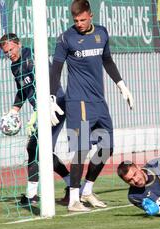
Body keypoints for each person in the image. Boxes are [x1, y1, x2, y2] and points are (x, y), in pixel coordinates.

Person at [49, 0, 134, 212]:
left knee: (107, 147)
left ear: (90, 15)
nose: (78, 23)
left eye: (82, 19)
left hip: (99, 102)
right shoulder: (66, 38)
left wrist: (122, 85)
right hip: (78, 103)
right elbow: (56, 69)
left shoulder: (102, 33)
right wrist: (51, 97)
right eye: (75, 20)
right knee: (81, 149)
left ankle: (87, 190)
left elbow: (107, 60)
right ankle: (74, 200)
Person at [0, 33, 71, 206]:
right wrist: (14, 110)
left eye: (11, 49)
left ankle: (31, 195)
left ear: (19, 44)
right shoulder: (14, 67)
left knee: (34, 148)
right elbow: (23, 90)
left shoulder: (32, 56)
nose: (10, 54)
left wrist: (49, 101)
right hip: (41, 110)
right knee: (41, 151)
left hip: (56, 106)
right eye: (5, 52)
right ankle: (72, 186)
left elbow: (50, 77)